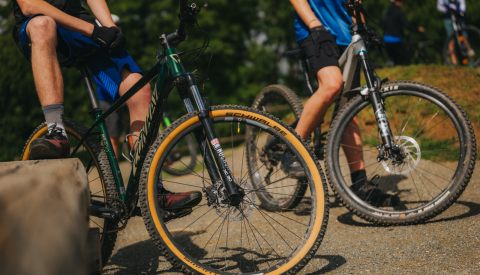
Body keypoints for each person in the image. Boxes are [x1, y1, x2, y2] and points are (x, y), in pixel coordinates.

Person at [11, 0, 201, 209]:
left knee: (140, 91)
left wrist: (110, 28)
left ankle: (152, 190)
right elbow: (29, 5)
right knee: (42, 24)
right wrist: (94, 30)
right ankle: (57, 132)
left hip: (81, 26)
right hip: (38, 25)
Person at [286, 0, 399, 206]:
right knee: (331, 85)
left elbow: (354, 2)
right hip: (315, 29)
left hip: (348, 35)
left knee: (349, 108)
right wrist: (314, 24)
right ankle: (292, 148)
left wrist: (364, 28)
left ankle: (360, 183)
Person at [94, 14, 126, 160]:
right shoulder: (97, 51)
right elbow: (101, 80)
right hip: (109, 99)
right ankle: (115, 171)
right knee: (113, 135)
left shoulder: (117, 48)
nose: (117, 29)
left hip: (123, 94)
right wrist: (120, 90)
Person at [384, 0, 425, 66]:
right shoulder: (399, 12)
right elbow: (406, 25)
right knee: (406, 61)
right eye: (402, 1)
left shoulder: (388, 11)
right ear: (396, 2)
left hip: (386, 39)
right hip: (396, 40)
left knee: (395, 62)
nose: (403, 3)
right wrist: (417, 30)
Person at [438, 0, 473, 65]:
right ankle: (454, 63)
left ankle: (471, 61)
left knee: (464, 37)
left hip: (459, 16)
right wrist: (448, 10)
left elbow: (462, 4)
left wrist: (459, 10)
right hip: (448, 17)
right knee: (451, 40)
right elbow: (439, 7)